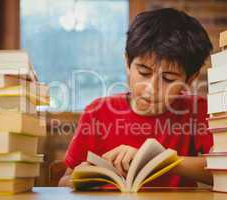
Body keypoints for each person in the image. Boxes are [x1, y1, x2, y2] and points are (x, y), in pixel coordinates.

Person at [58, 8, 213, 188]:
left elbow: (225, 173)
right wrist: (82, 178)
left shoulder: (197, 110)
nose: (151, 89)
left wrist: (163, 160)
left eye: (168, 79)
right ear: (127, 63)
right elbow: (63, 182)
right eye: (143, 72)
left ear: (191, 79)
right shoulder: (97, 113)